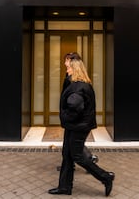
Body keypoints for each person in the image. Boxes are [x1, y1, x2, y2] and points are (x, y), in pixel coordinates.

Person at [48, 52, 115, 197]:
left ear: (73, 67)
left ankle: (106, 177)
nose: (65, 67)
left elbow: (75, 108)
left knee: (77, 156)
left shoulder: (78, 87)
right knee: (67, 154)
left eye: (67, 65)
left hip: (78, 126)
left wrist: (65, 117)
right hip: (75, 125)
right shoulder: (77, 83)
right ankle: (64, 187)